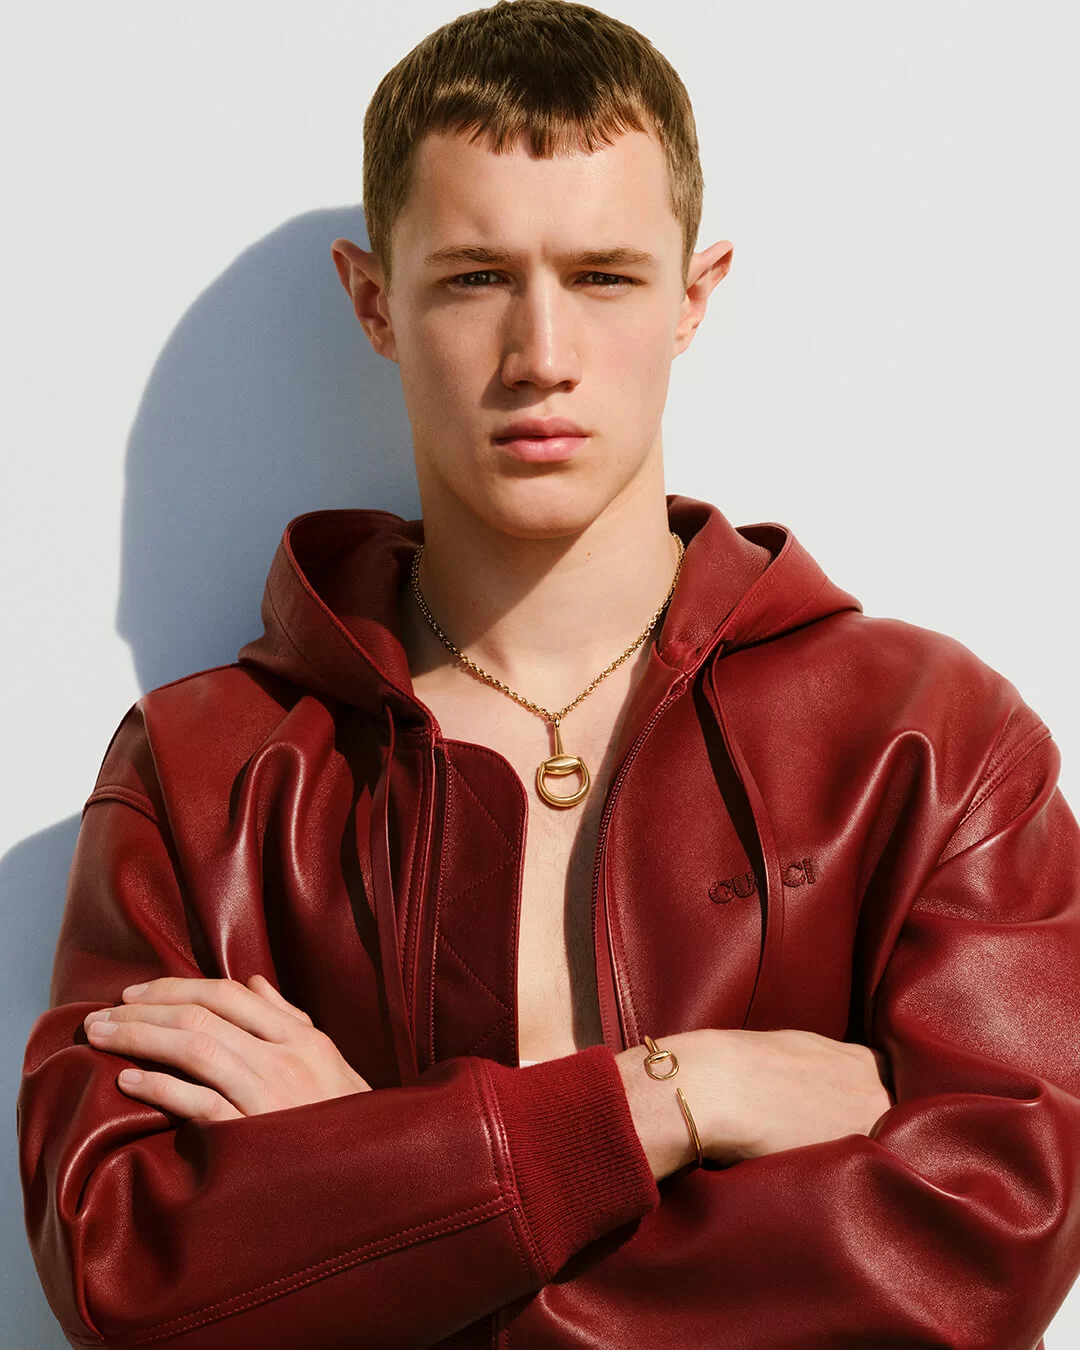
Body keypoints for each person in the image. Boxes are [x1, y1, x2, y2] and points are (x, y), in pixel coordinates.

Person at [16, 2, 1080, 1346]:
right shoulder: (204, 775)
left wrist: (372, 1188)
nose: (542, 356)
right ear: (373, 300)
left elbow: (980, 1256)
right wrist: (674, 1096)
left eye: (604, 277)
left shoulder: (928, 742)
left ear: (695, 296)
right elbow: (127, 1275)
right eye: (475, 277)